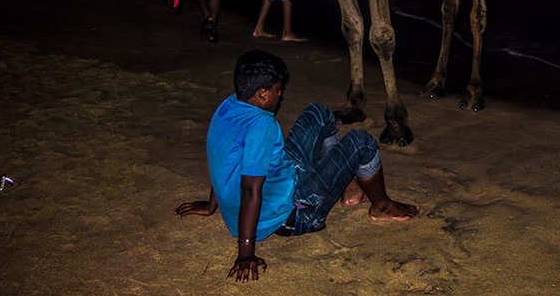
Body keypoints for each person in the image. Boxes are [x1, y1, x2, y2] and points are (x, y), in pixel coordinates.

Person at [175, 50, 419, 282]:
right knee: (361, 142)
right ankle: (382, 206)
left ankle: (349, 187)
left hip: (284, 180)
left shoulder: (228, 107)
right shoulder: (262, 126)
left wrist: (211, 205)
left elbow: (223, 157)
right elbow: (251, 190)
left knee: (319, 112)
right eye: (277, 91)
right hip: (294, 214)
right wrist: (246, 252)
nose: (280, 95)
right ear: (262, 94)